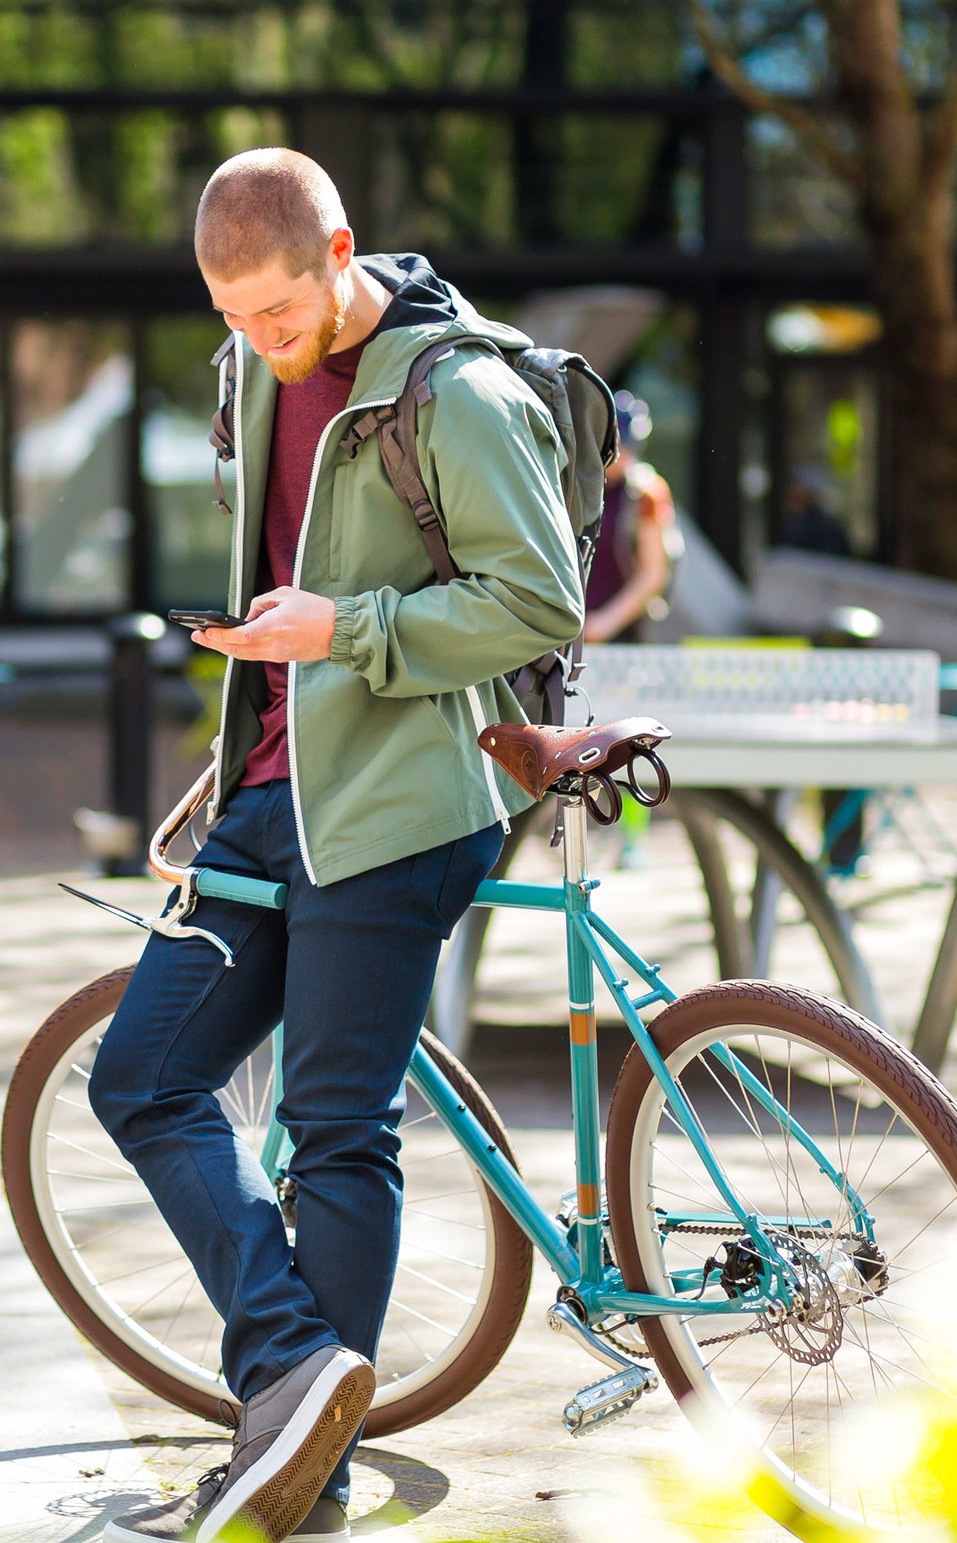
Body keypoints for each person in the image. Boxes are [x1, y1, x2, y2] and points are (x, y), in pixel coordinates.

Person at [93, 150, 583, 1543]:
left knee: (336, 1130)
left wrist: (345, 630)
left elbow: (540, 604)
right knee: (141, 1076)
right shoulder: (249, 368)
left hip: (410, 797)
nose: (256, 340)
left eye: (278, 311)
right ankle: (299, 1368)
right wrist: (263, 663)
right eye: (232, 314)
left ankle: (307, 1456)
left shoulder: (458, 390)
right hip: (274, 788)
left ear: (342, 252)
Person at [580, 390, 678, 644]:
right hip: (576, 624)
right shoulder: (581, 485)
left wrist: (604, 623)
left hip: (623, 633)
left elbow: (654, 575)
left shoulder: (645, 492)